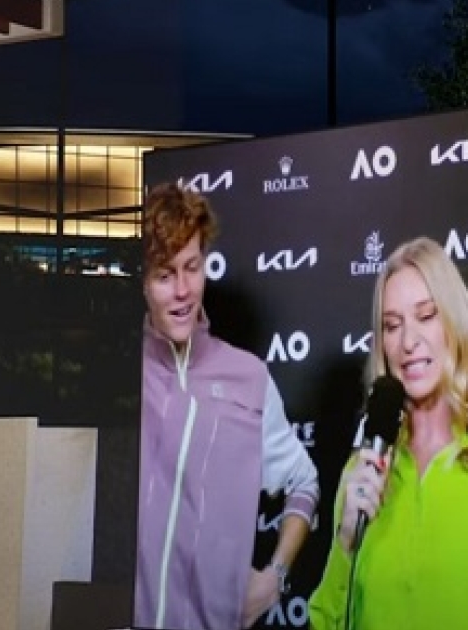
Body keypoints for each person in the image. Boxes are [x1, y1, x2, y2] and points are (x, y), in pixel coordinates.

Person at [307, 236, 468, 630]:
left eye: (426, 316)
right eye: (392, 325)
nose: (408, 342)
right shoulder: (361, 473)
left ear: (454, 324)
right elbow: (326, 622)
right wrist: (345, 542)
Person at [135, 183, 321, 630]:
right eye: (165, 275)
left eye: (192, 268)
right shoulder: (121, 373)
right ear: (142, 282)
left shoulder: (248, 378)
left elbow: (304, 481)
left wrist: (274, 577)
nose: (183, 291)